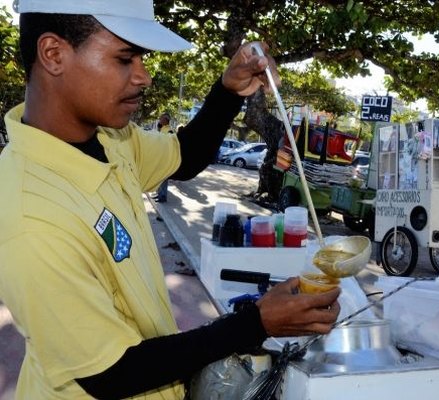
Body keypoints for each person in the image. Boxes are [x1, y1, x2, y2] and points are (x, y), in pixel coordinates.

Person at [0, 1, 341, 399]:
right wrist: (255, 324)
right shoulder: (30, 217)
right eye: (125, 58)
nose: (143, 76)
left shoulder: (109, 140)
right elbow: (109, 373)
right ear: (54, 54)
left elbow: (186, 155)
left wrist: (229, 90)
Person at [154, 113, 174, 203]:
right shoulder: (162, 129)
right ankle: (159, 193)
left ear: (166, 120)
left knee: (163, 179)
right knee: (159, 177)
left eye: (161, 119)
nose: (159, 120)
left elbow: (170, 145)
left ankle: (163, 196)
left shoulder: (169, 131)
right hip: (160, 157)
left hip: (165, 158)